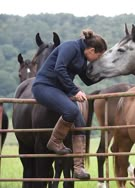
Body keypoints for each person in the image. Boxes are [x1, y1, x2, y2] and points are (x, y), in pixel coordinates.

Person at [32, 29, 107, 179]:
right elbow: (59, 68)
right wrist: (74, 90)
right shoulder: (70, 47)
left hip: (59, 89)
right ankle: (54, 142)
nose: (97, 60)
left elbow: (87, 79)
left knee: (79, 120)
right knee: (72, 111)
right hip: (44, 86)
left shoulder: (82, 57)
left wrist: (106, 73)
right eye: (98, 56)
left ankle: (78, 169)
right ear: (91, 50)